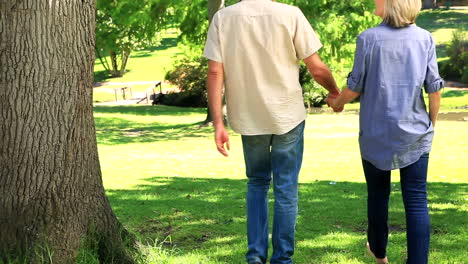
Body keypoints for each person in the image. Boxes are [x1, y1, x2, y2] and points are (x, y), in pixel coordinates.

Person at [203, 0, 341, 263]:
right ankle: (282, 259)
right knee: (286, 187)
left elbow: (214, 71)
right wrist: (334, 92)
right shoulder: (290, 15)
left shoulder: (223, 18)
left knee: (257, 183)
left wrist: (219, 123)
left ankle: (255, 256)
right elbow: (317, 67)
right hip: (287, 115)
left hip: (248, 117)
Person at [327, 0, 443, 263]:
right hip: (415, 134)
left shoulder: (367, 38)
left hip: (375, 133)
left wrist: (336, 102)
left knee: (378, 195)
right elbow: (435, 90)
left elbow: (354, 88)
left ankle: (379, 253)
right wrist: (430, 126)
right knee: (416, 200)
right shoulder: (425, 39)